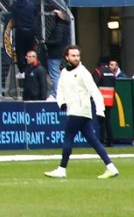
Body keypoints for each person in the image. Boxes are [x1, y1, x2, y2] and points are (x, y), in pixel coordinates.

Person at [44, 45, 119, 179]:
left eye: (78, 55)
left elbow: (94, 91)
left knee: (68, 137)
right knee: (93, 140)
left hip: (79, 110)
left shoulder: (83, 72)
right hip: (76, 110)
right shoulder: (65, 72)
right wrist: (61, 102)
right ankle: (111, 167)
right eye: (73, 56)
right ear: (67, 57)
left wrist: (100, 110)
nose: (76, 58)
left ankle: (62, 168)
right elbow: (60, 89)